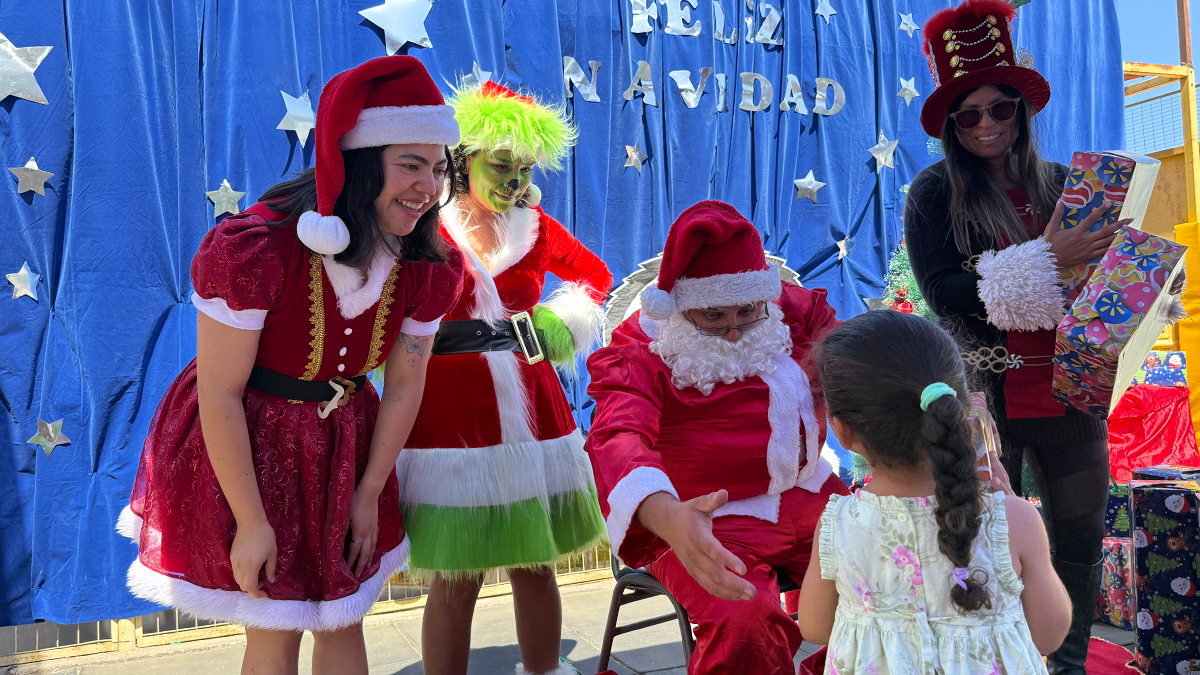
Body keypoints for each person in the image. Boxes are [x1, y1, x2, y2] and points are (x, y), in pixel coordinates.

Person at [117, 56, 464, 675]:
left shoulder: (427, 262)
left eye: (437, 168)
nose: (428, 187)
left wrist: (370, 491)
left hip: (350, 443)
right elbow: (219, 393)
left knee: (345, 616)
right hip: (254, 444)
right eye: (410, 165)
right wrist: (251, 521)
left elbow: (407, 381)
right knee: (274, 630)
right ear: (357, 162)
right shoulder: (260, 249)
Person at [903, 1, 1158, 671]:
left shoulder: (1065, 185)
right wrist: (1045, 257)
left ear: (1022, 110)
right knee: (977, 541)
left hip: (1072, 389)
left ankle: (1065, 661)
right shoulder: (932, 193)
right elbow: (942, 292)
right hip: (981, 396)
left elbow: (1106, 276)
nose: (987, 124)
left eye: (1001, 107)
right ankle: (993, 658)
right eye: (969, 114)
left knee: (1076, 539)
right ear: (952, 126)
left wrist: (1147, 289)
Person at [396, 80, 611, 675]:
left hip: (532, 405)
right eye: (501, 167)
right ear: (466, 160)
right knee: (456, 577)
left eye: (523, 170)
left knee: (534, 563)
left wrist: (558, 323)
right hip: (451, 413)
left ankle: (545, 669)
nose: (514, 183)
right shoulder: (424, 229)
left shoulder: (536, 228)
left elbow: (596, 275)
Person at [586, 200, 850, 674]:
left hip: (816, 501)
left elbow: (865, 362)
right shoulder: (640, 350)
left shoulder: (791, 311)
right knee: (744, 618)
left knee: (896, 572)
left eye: (747, 311)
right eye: (712, 317)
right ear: (680, 306)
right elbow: (618, 435)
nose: (733, 330)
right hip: (700, 516)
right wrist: (665, 516)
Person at [797, 310, 1071, 675]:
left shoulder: (838, 525)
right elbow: (1049, 636)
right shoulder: (1013, 518)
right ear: (959, 407)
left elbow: (815, 628)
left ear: (843, 432)